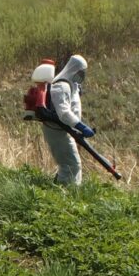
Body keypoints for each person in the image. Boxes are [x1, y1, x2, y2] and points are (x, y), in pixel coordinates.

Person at [40, 54, 94, 186]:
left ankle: (62, 188)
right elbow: (64, 113)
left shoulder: (72, 85)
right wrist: (81, 127)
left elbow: (74, 106)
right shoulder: (61, 86)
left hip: (65, 130)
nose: (82, 75)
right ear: (74, 69)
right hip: (57, 130)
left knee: (70, 163)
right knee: (71, 165)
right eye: (81, 72)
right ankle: (65, 196)